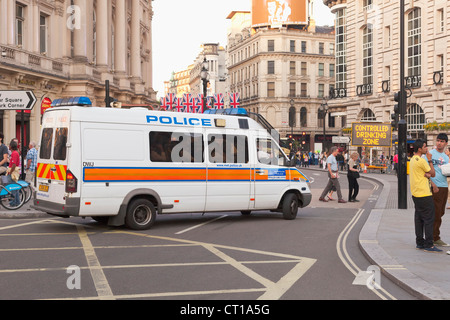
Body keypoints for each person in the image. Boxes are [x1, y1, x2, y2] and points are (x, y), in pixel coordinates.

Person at [409, 139, 442, 253]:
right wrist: (430, 160)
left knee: (419, 218)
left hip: (415, 193)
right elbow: (433, 173)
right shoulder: (422, 160)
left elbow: (425, 175)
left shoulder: (413, 159)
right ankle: (429, 244)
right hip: (424, 193)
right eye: (424, 146)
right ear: (420, 149)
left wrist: (430, 179)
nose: (426, 148)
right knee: (429, 219)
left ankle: (420, 242)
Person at [429, 133, 449, 247]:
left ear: (446, 143)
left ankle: (434, 235)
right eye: (438, 141)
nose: (439, 143)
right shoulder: (430, 154)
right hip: (434, 186)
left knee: (441, 212)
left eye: (442, 141)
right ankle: (434, 237)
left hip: (444, 186)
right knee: (435, 212)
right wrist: (432, 184)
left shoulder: (446, 158)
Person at [6, 140, 21, 207]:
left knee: (12, 188)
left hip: (13, 172)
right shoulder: (14, 153)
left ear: (11, 147)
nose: (8, 146)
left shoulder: (14, 153)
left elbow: (14, 164)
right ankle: (17, 201)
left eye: (9, 145)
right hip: (13, 171)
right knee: (15, 187)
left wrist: (10, 172)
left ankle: (13, 202)